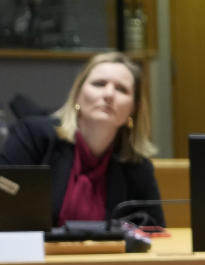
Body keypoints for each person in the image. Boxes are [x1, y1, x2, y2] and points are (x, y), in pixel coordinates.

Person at [0, 51, 164, 228]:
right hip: (36, 254)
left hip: (107, 256)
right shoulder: (34, 137)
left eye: (121, 89)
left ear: (133, 109)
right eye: (99, 84)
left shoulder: (137, 166)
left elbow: (156, 232)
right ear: (77, 95)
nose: (109, 94)